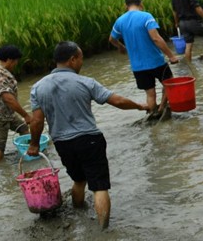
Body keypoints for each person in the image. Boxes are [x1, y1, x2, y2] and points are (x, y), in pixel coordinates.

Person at [27, 41, 149, 229]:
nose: (82, 62)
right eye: (81, 58)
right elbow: (117, 101)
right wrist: (140, 106)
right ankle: (103, 231)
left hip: (62, 142)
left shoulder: (38, 87)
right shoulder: (85, 82)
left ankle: (80, 215)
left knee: (78, 180)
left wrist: (34, 145)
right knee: (99, 186)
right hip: (89, 139)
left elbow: (36, 121)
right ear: (72, 59)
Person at [109, 0, 180, 121]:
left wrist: (121, 47)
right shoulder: (146, 16)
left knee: (150, 93)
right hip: (156, 61)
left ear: (126, 6)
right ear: (140, 3)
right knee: (170, 83)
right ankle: (162, 108)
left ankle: (153, 114)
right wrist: (171, 56)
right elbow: (156, 38)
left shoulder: (120, 21)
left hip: (137, 66)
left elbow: (111, 39)